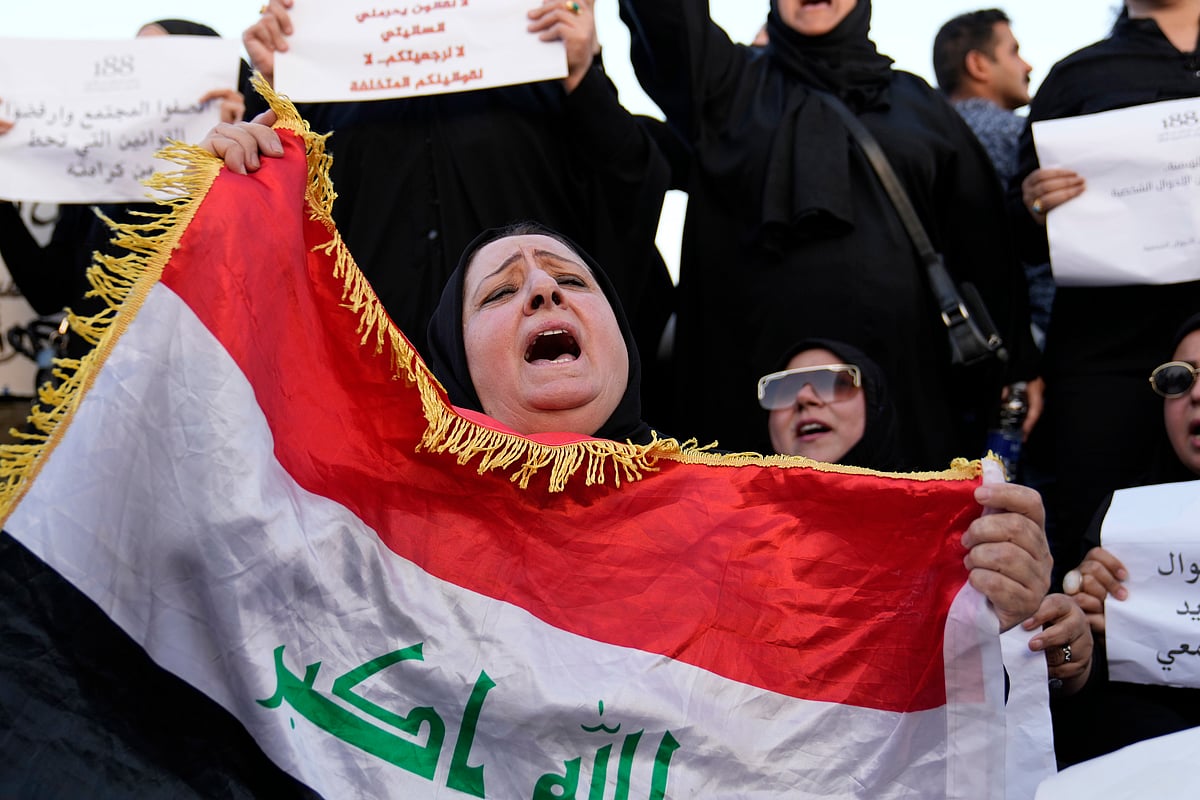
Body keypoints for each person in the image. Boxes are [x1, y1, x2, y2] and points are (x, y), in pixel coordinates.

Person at [616, 0, 1040, 467]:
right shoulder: (726, 85)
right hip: (748, 396)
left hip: (907, 383)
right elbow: (666, 19)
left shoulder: (917, 104)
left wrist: (1018, 367)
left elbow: (982, 243)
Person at [239, 0, 674, 415]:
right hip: (371, 403)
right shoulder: (327, 88)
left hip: (537, 413)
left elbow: (631, 186)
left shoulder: (532, 65)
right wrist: (282, 95)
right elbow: (271, 236)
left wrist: (583, 74)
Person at [760, 337, 1091, 694]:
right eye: (783, 388)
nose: (806, 399)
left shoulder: (956, 526)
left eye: (836, 381)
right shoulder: (737, 542)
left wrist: (1061, 658)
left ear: (876, 402)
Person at [1010, 0, 1200, 580]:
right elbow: (1015, 236)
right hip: (1107, 361)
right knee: (1097, 550)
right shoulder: (1078, 75)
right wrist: (1033, 204)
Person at [0, 19, 249, 357]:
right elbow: (48, 291)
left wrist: (225, 159)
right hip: (98, 387)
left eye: (158, 61)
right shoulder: (93, 180)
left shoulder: (252, 170)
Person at [1052, 312, 1200, 766]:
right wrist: (1073, 638)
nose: (1196, 394)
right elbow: (1071, 683)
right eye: (1179, 379)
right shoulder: (1122, 524)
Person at [933, 8, 1054, 345]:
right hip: (1029, 332)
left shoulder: (920, 139)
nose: (1027, 66)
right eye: (1013, 52)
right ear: (978, 65)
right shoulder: (1015, 136)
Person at [758, 338, 904, 470]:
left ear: (874, 405)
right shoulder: (740, 498)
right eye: (786, 391)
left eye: (833, 384)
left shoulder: (921, 497)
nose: (803, 397)